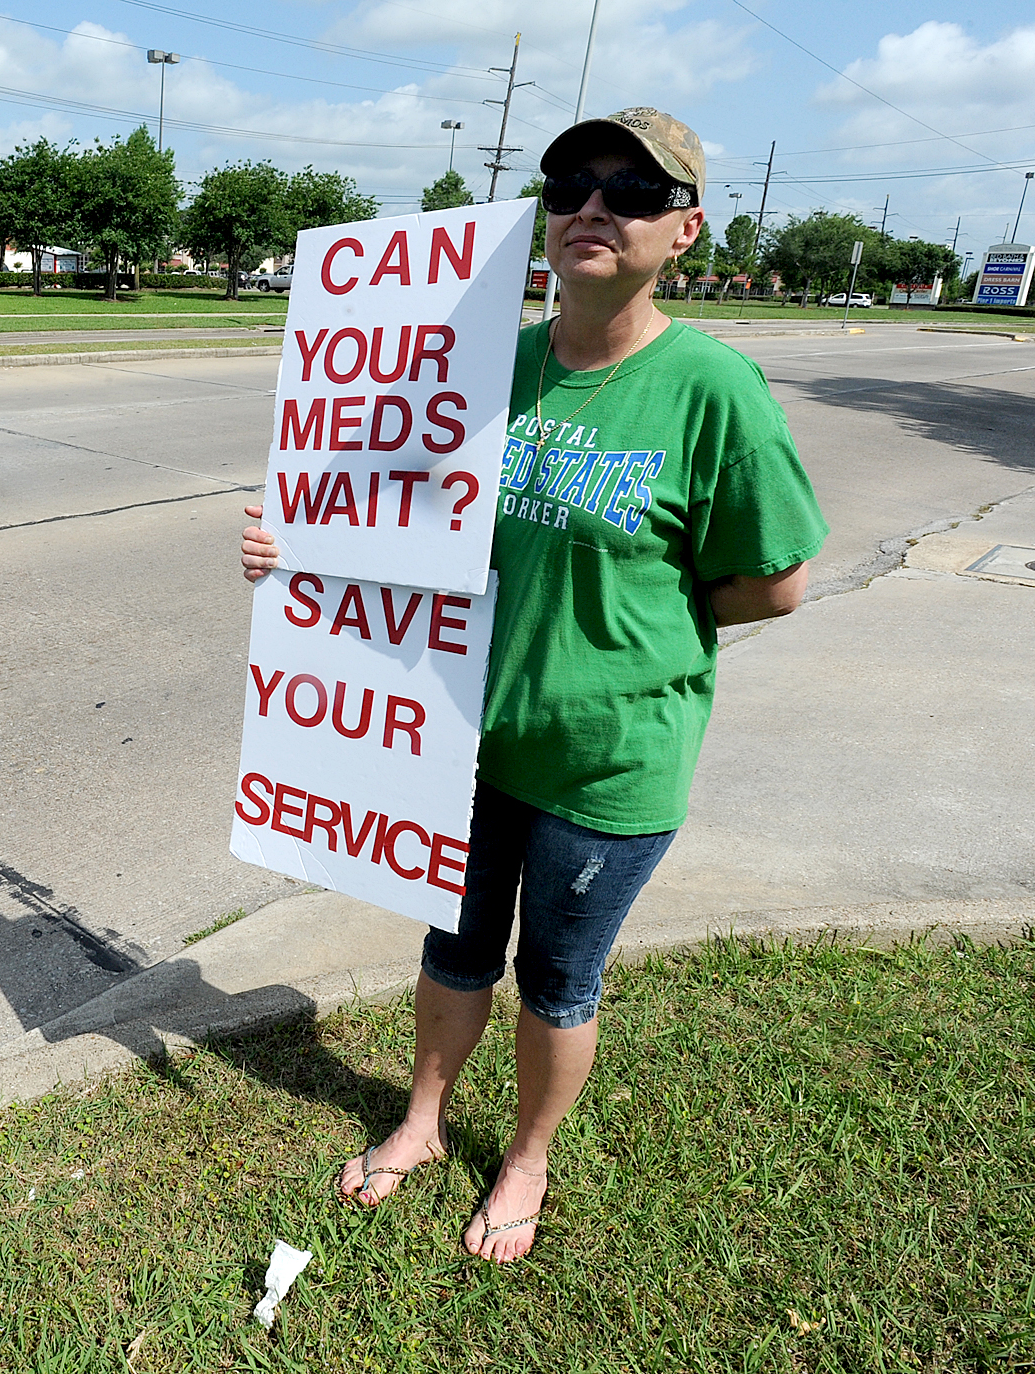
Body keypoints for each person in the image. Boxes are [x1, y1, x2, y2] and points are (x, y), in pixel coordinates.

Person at [238, 109, 829, 1263]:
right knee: (452, 952)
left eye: (631, 190)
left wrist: (639, 633)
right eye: (568, 185)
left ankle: (523, 1160)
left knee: (556, 980)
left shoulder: (712, 389)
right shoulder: (482, 364)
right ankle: (417, 1122)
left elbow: (775, 582)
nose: (592, 206)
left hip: (606, 762)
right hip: (457, 744)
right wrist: (295, 548)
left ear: (682, 230)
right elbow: (395, 516)